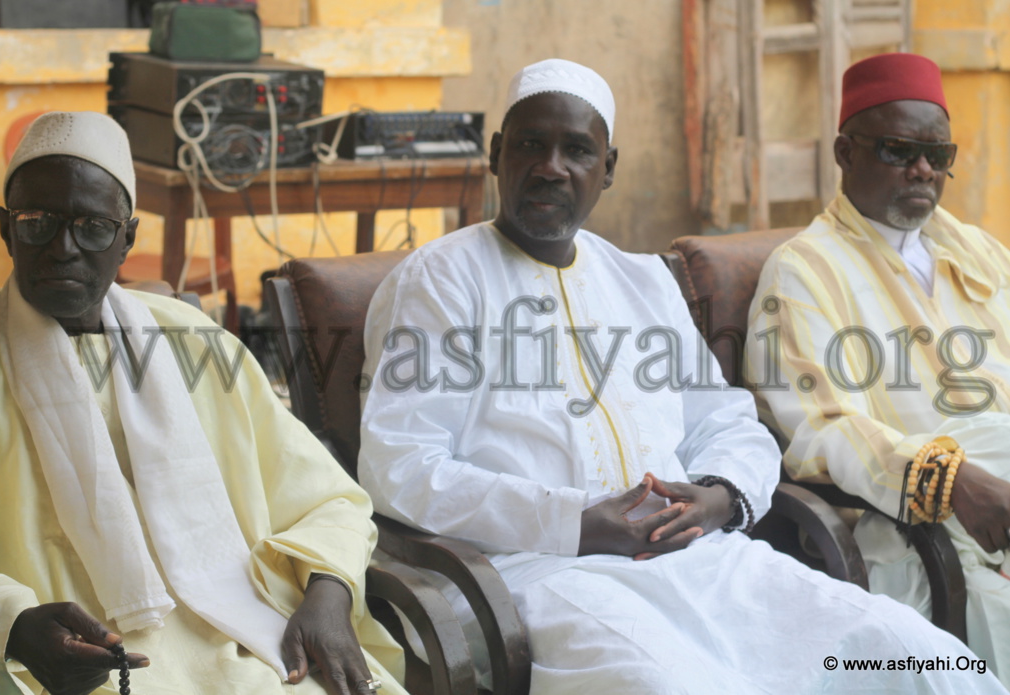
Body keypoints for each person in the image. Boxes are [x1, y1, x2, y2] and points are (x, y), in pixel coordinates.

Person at [357, 59, 1006, 693]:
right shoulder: (439, 279)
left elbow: (726, 420)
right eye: (530, 145)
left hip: (701, 559)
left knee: (912, 651)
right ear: (497, 153)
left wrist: (720, 495)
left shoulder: (641, 280)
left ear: (607, 169)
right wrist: (574, 522)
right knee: (662, 681)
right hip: (540, 573)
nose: (551, 166)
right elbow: (400, 466)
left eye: (577, 150)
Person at [0, 111, 405, 695]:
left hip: (252, 638)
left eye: (93, 227)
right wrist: (12, 627)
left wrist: (328, 596)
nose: (63, 249)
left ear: (128, 238)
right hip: (73, 668)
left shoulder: (196, 343)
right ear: (6, 228)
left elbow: (329, 500)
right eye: (37, 223)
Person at [746, 52, 1010, 685]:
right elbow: (819, 428)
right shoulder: (802, 271)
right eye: (898, 151)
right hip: (913, 529)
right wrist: (947, 477)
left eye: (938, 155)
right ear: (846, 152)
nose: (923, 170)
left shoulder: (979, 251)